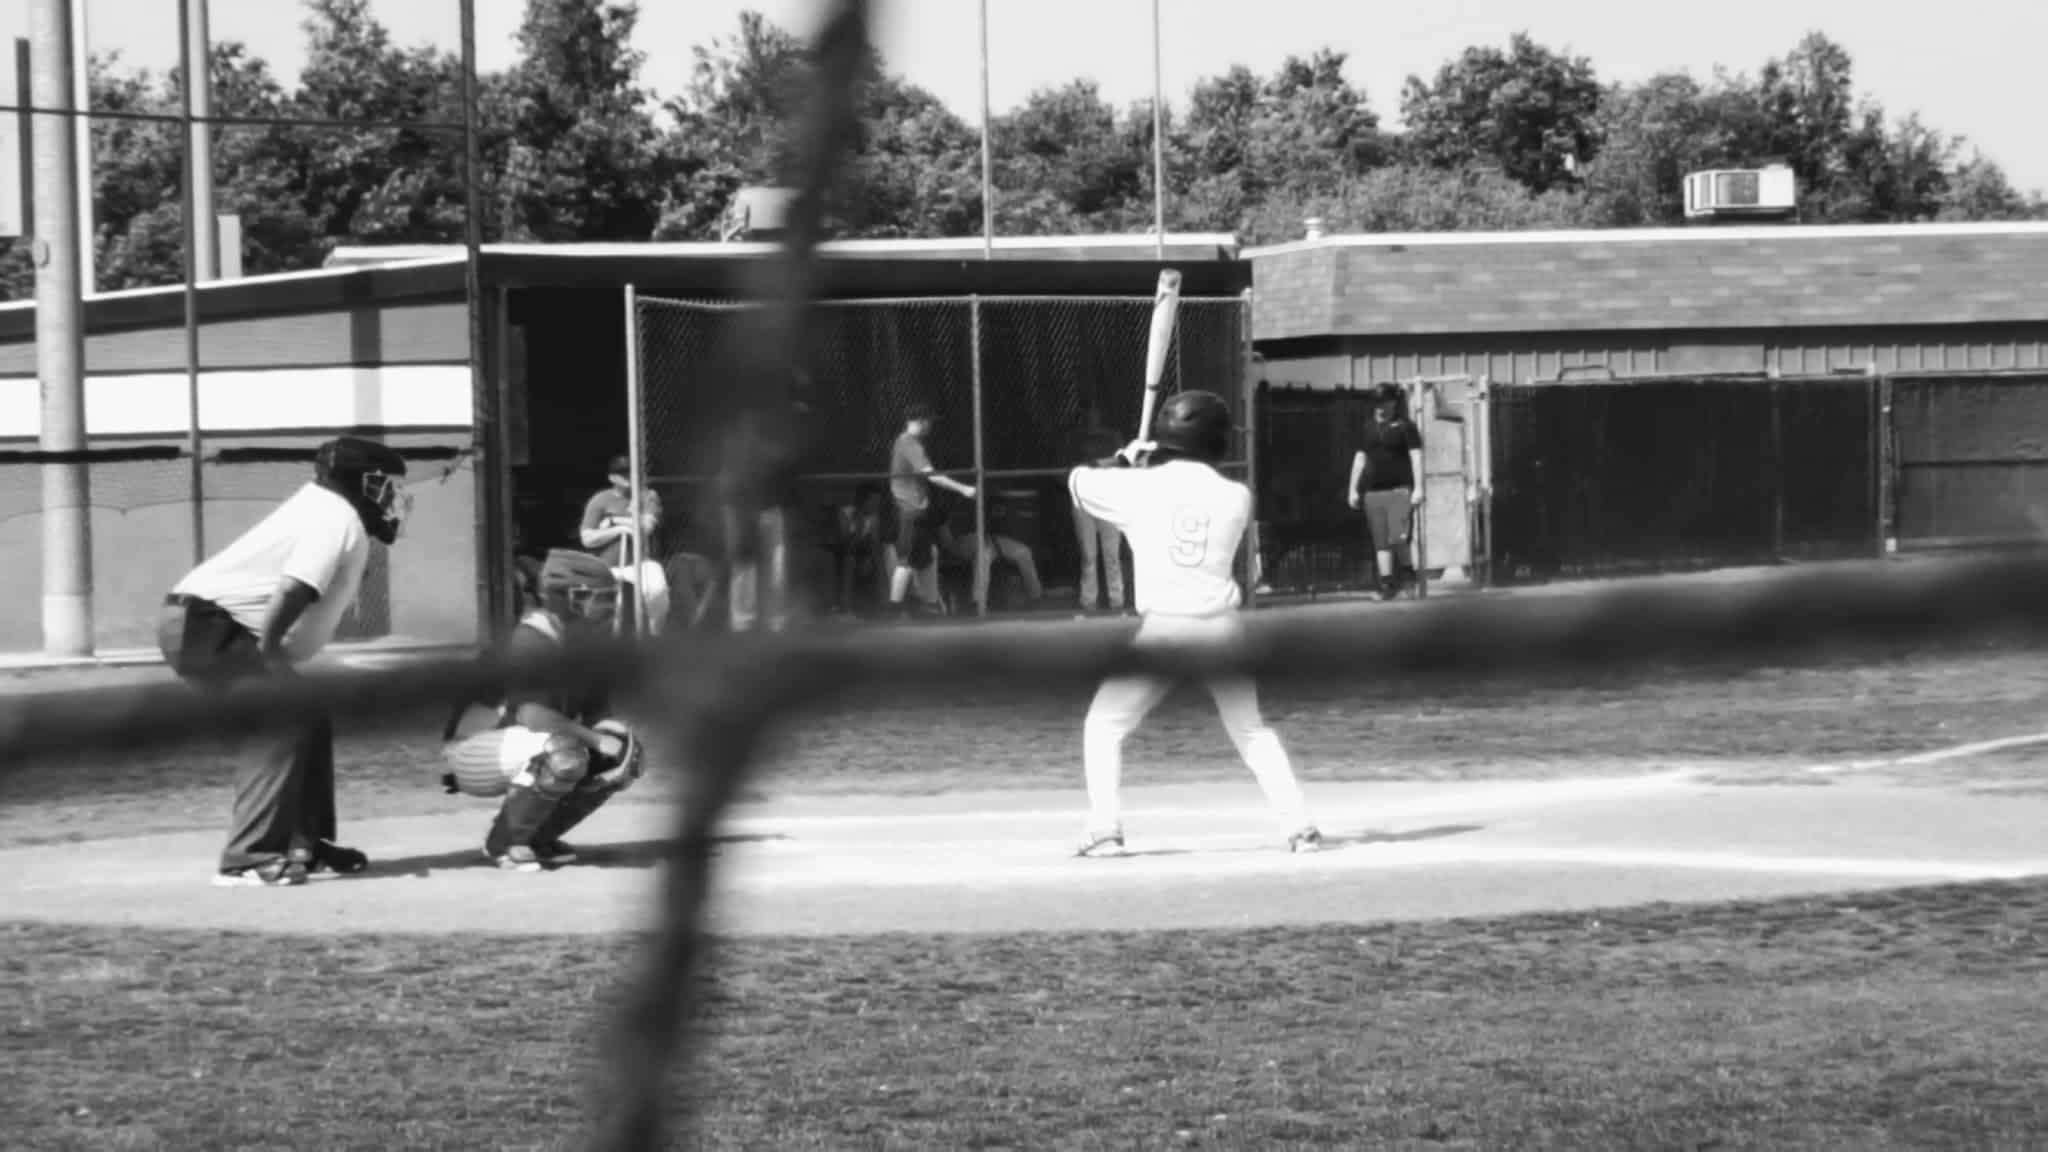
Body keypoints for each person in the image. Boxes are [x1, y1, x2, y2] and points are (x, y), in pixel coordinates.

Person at [1066, 391, 1321, 858]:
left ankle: (1104, 829)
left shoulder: (1137, 489)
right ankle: (1300, 828)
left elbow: (1078, 483)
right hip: (1222, 630)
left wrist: (1123, 463)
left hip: (1163, 632)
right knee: (1250, 730)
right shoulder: (1237, 496)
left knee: (1103, 725)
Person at [158, 435, 412, 887]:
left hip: (211, 625)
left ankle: (305, 843)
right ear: (363, 481)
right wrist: (271, 652)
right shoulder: (337, 517)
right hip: (210, 627)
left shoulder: (332, 511)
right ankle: (246, 860)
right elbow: (295, 587)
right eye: (385, 484)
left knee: (309, 715)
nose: (392, 495)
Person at [439, 549, 645, 872]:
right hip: (475, 750)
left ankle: (536, 836)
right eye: (601, 599)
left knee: (619, 758)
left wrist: (615, 736)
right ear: (571, 598)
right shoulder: (531, 640)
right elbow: (531, 716)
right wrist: (593, 738)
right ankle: (504, 841)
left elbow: (596, 713)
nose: (610, 608)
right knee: (565, 754)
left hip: (523, 744)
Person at [886, 403, 977, 618]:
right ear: (919, 421)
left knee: (927, 555)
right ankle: (894, 608)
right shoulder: (909, 444)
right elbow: (932, 475)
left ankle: (931, 603)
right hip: (909, 509)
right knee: (906, 561)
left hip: (916, 509)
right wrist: (963, 488)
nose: (930, 426)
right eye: (927, 421)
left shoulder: (908, 443)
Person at [579, 454, 674, 635]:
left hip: (641, 563)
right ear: (612, 477)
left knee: (658, 591)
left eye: (631, 472)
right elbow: (587, 538)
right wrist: (618, 530)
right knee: (620, 608)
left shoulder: (647, 495)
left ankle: (655, 637)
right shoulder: (600, 500)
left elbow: (646, 527)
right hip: (609, 567)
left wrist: (614, 520)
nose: (629, 476)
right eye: (623, 473)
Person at [1347, 382, 1425, 601]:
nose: (1380, 407)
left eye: (1384, 402)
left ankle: (1409, 576)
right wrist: (1353, 488)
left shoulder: (1405, 426)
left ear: (1393, 402)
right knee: (1381, 541)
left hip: (1399, 490)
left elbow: (1416, 457)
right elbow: (1360, 458)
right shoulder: (1368, 428)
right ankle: (1387, 584)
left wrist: (1418, 488)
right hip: (1373, 493)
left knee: (1398, 537)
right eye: (1377, 403)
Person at [1072, 419, 1128, 616]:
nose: (1093, 415)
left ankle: (1117, 601)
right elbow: (1071, 469)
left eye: (1096, 410)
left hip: (1108, 496)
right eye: (1088, 410)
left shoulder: (1112, 436)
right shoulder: (1076, 437)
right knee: (1089, 554)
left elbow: (1124, 463)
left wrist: (1101, 465)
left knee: (1111, 553)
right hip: (1082, 496)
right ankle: (1089, 602)